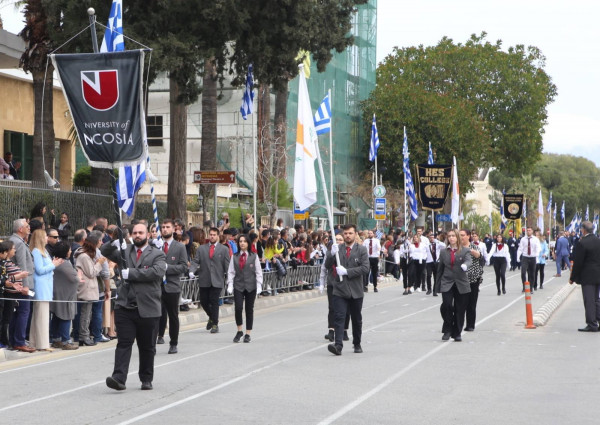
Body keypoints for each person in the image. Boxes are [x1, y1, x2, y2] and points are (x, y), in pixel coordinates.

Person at [106, 223, 167, 391]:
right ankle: (119, 377)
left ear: (148, 234)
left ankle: (146, 378)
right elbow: (105, 252)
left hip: (148, 307)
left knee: (147, 346)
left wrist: (131, 274)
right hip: (125, 306)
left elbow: (157, 272)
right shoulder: (125, 251)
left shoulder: (157, 254)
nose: (138, 235)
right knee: (124, 343)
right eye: (135, 233)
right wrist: (114, 242)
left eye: (141, 232)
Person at [325, 224, 369, 356]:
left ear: (355, 234)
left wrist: (347, 272)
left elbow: (365, 268)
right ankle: (338, 345)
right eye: (345, 233)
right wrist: (331, 255)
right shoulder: (337, 249)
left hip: (356, 290)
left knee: (356, 319)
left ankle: (357, 343)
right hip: (340, 289)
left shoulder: (361, 250)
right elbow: (327, 266)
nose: (347, 235)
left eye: (350, 233)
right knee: (339, 317)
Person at [156, 219, 188, 354]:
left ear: (173, 229)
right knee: (155, 315)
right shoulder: (156, 246)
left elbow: (183, 267)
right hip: (157, 286)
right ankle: (155, 339)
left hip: (172, 286)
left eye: (167, 227)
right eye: (163, 227)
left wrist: (168, 268)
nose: (164, 229)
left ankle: (173, 342)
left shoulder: (179, 247)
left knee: (173, 316)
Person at [190, 227, 230, 334]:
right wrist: (191, 271)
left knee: (214, 301)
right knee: (203, 301)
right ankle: (211, 317)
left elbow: (227, 266)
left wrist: (230, 279)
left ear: (218, 236)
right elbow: (195, 261)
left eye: (214, 235)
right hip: (204, 279)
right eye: (210, 234)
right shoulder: (201, 249)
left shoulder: (224, 249)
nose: (212, 236)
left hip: (217, 280)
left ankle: (215, 324)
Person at [435, 229, 472, 342]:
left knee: (459, 309)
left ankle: (457, 332)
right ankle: (447, 329)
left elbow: (468, 260)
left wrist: (465, 265)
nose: (451, 238)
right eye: (449, 236)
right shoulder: (443, 252)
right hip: (447, 282)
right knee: (446, 306)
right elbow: (440, 269)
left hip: (461, 282)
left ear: (457, 238)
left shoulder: (465, 250)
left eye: (453, 236)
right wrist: (437, 287)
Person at [226, 234, 263, 343]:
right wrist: (230, 284)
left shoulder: (254, 256)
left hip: (251, 286)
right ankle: (239, 330)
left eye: (244, 241)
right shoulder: (234, 256)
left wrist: (259, 284)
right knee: (238, 308)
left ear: (248, 243)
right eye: (240, 241)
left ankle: (248, 333)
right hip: (238, 285)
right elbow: (231, 271)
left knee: (249, 309)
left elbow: (258, 272)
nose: (242, 243)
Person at [74, 232, 106, 346]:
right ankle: (84, 336)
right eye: (99, 242)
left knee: (87, 313)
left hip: (88, 287)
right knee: (85, 314)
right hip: (86, 288)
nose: (101, 243)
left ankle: (84, 335)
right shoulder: (84, 256)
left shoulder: (85, 255)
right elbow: (91, 273)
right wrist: (99, 264)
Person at [8, 218, 34, 352]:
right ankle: (19, 341)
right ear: (20, 229)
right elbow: (22, 265)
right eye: (27, 226)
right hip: (22, 283)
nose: (29, 228)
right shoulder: (18, 242)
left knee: (18, 313)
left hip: (17, 283)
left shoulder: (16, 241)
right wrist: (25, 285)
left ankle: (14, 340)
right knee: (23, 312)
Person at [569, 221, 600, 332]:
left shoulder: (582, 243)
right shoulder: (598, 241)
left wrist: (572, 277)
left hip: (588, 275)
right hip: (598, 275)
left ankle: (592, 324)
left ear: (583, 230)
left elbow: (578, 262)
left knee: (589, 300)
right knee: (596, 299)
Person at [49, 241, 79, 350]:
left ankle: (56, 339)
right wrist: (78, 275)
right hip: (65, 294)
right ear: (65, 252)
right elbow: (74, 278)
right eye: (69, 249)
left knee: (57, 316)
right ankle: (66, 340)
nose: (70, 251)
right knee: (66, 316)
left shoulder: (55, 261)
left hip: (57, 292)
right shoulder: (65, 263)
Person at [321, 234, 351, 343]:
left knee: (345, 308)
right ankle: (331, 330)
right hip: (332, 283)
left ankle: (344, 330)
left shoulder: (347, 252)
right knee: (332, 307)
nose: (338, 241)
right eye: (336, 239)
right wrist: (332, 254)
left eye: (340, 239)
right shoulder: (330, 252)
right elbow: (326, 266)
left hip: (344, 283)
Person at [463, 230, 486, 332]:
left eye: (463, 235)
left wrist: (471, 251)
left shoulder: (474, 247)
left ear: (468, 236)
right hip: (461, 279)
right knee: (460, 303)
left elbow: (479, 256)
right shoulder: (457, 248)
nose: (461, 237)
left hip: (473, 278)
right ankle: (458, 324)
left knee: (471, 303)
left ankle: (470, 324)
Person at [516, 227, 541, 292]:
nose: (528, 231)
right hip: (525, 257)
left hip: (533, 257)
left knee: (532, 273)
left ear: (532, 231)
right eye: (527, 230)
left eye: (529, 230)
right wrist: (518, 257)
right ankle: (524, 286)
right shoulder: (523, 239)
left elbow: (538, 248)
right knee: (523, 272)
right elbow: (520, 248)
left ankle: (531, 287)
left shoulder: (535, 239)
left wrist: (537, 254)